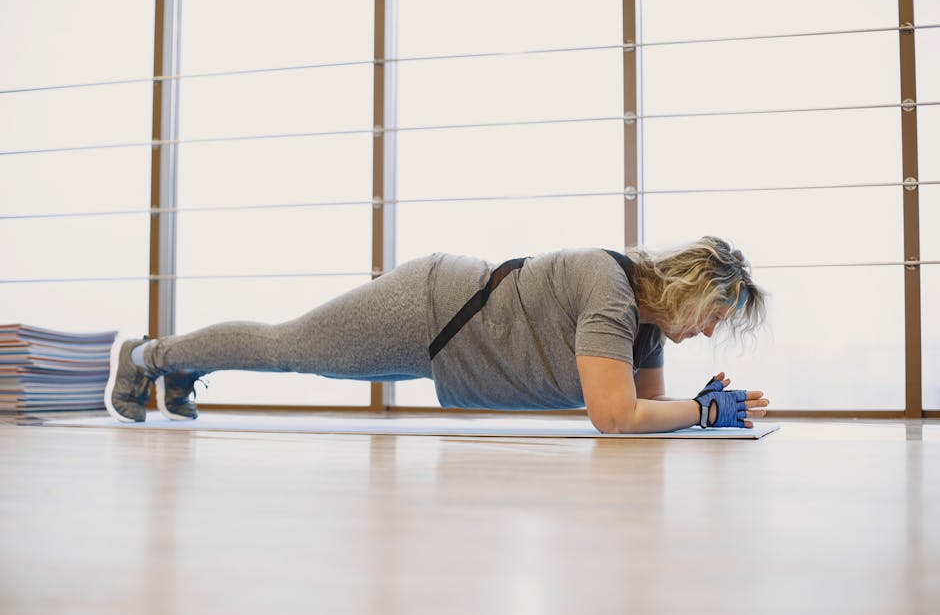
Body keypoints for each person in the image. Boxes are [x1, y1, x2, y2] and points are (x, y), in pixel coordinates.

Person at [104, 236, 770, 433]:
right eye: (715, 314)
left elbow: (643, 411)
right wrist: (705, 413)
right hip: (427, 312)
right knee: (288, 349)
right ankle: (147, 357)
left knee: (293, 353)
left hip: (449, 352)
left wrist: (699, 409)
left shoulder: (644, 333)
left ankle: (178, 364)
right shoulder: (612, 292)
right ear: (688, 292)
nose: (712, 330)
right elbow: (615, 415)